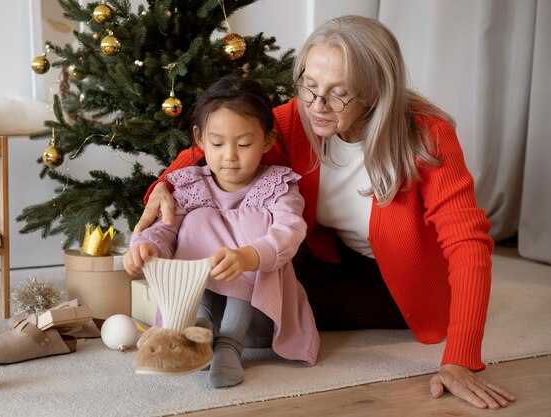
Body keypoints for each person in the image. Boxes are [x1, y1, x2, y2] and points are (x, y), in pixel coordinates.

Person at [134, 15, 516, 409]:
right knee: (236, 238)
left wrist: (461, 358)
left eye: (338, 94)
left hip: (392, 283)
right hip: (327, 258)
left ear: (373, 92)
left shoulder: (428, 136)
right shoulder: (296, 120)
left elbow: (468, 243)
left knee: (272, 307)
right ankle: (198, 326)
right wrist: (162, 184)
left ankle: (221, 332)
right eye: (309, 86)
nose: (316, 106)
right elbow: (208, 151)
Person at [124, 75, 320, 388]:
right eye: (217, 144)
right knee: (198, 221)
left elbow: (290, 231)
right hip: (201, 300)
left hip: (258, 316)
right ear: (200, 139)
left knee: (254, 225)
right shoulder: (190, 185)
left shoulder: (279, 187)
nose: (229, 156)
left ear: (267, 141)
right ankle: (198, 332)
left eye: (244, 144)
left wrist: (248, 257)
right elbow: (163, 229)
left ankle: (228, 345)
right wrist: (146, 247)